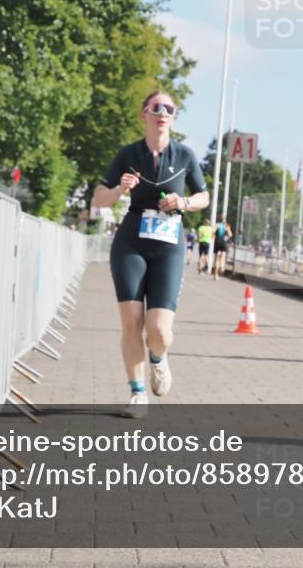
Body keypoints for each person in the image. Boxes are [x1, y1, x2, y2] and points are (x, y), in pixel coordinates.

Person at [92, 91, 209, 418]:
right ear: (144, 114)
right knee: (131, 322)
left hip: (169, 242)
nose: (162, 112)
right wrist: (119, 190)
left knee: (158, 331)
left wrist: (183, 203)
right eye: (155, 107)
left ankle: (158, 358)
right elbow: (99, 198)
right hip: (131, 240)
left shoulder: (184, 154)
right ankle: (137, 393)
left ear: (173, 118)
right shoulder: (128, 154)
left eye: (168, 109)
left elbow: (204, 196)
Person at [212, 214, 233, 280]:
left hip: (217, 242)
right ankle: (222, 266)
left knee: (217, 258)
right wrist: (227, 230)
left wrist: (214, 235)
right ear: (224, 219)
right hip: (223, 242)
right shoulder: (226, 225)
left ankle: (216, 274)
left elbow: (212, 233)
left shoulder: (216, 225)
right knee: (223, 256)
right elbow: (230, 235)